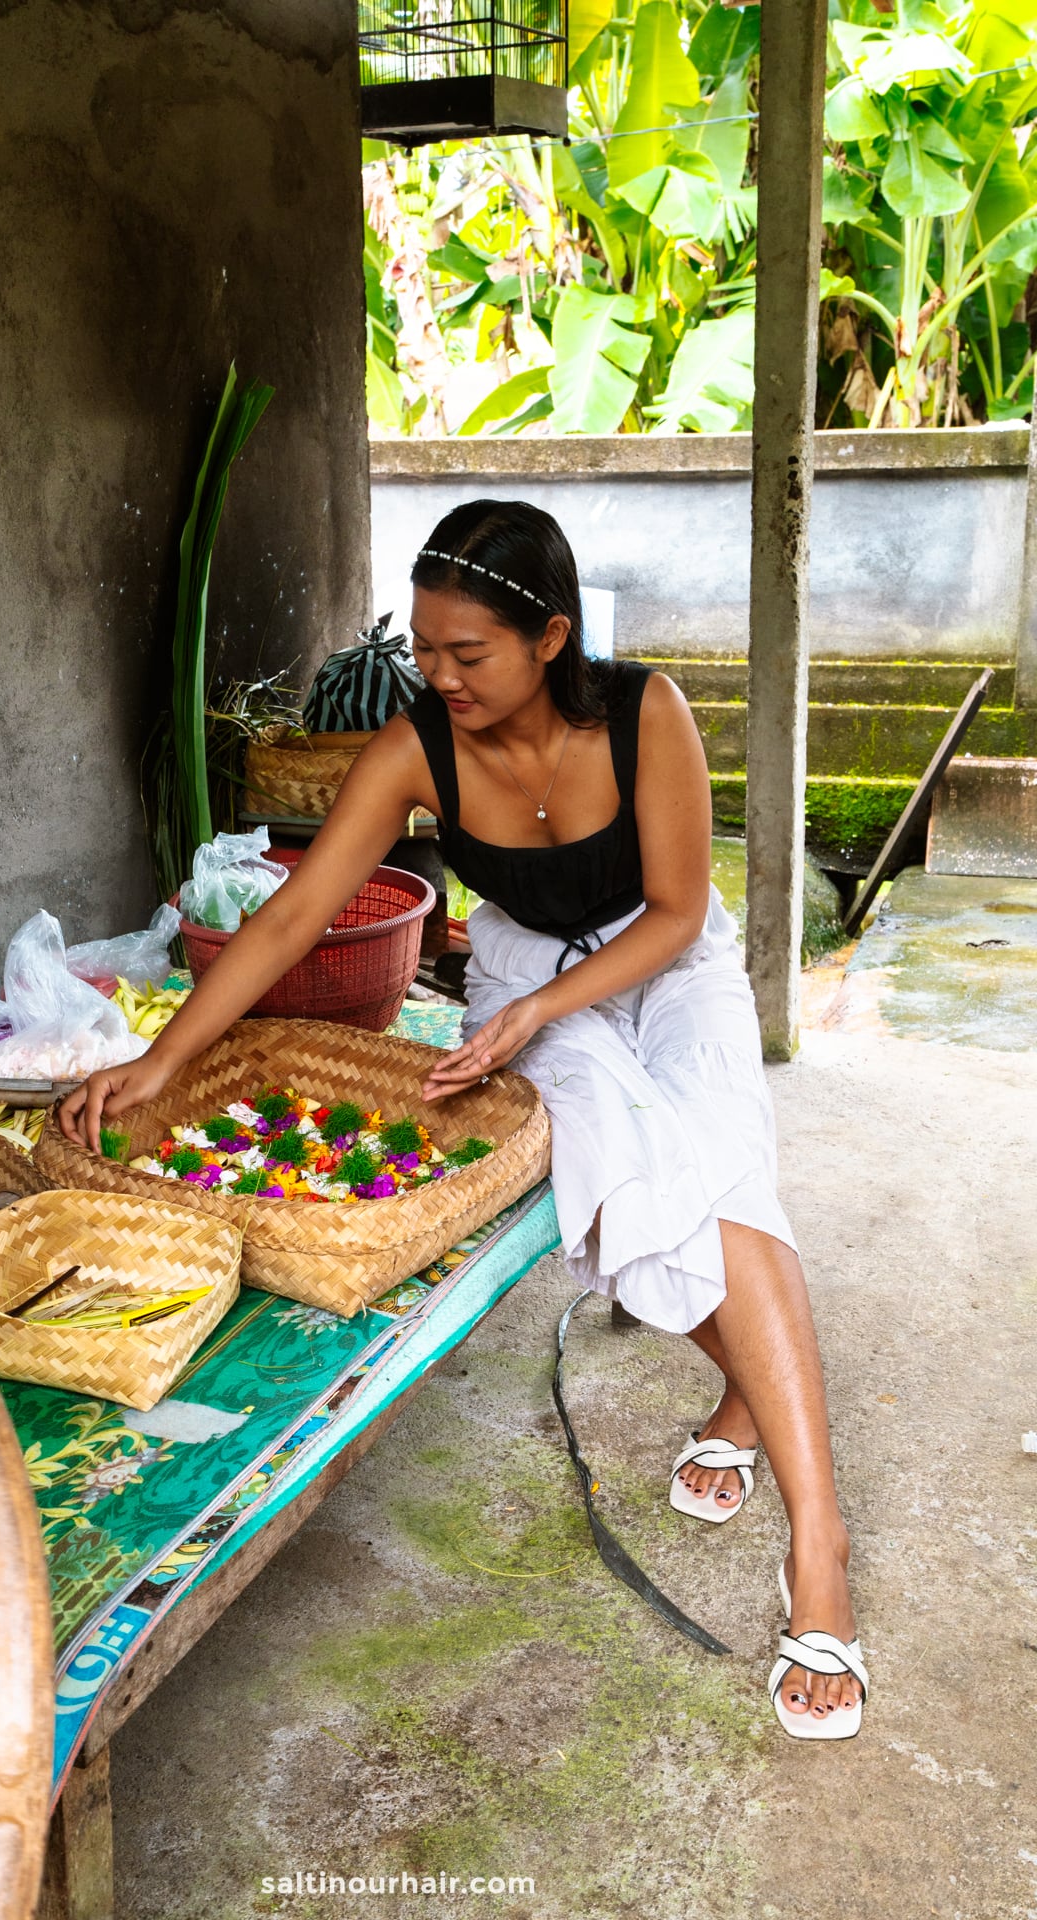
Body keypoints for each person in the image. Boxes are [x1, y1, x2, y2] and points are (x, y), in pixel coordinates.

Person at [59, 499, 867, 1741]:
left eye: (466, 655)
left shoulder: (647, 714)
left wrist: (547, 1003)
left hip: (666, 961)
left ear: (549, 637)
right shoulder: (412, 749)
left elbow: (669, 912)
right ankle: (757, 1399)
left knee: (718, 1157)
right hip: (522, 976)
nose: (437, 677)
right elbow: (285, 920)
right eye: (426, 650)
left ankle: (816, 1542)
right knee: (622, 1168)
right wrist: (163, 1057)